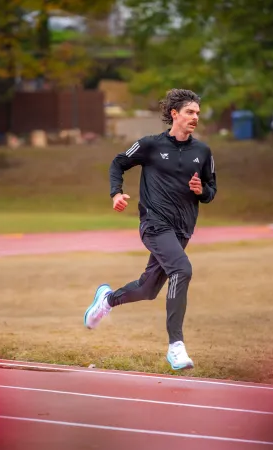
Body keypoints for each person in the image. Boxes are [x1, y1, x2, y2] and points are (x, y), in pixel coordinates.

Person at [83, 88, 217, 371]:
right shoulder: (150, 145)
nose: (195, 117)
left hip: (182, 231)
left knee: (147, 289)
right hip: (154, 224)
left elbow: (210, 190)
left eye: (197, 113)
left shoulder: (202, 152)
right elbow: (118, 163)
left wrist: (201, 190)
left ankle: (106, 300)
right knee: (182, 270)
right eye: (190, 112)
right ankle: (176, 347)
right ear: (174, 114)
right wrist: (116, 193)